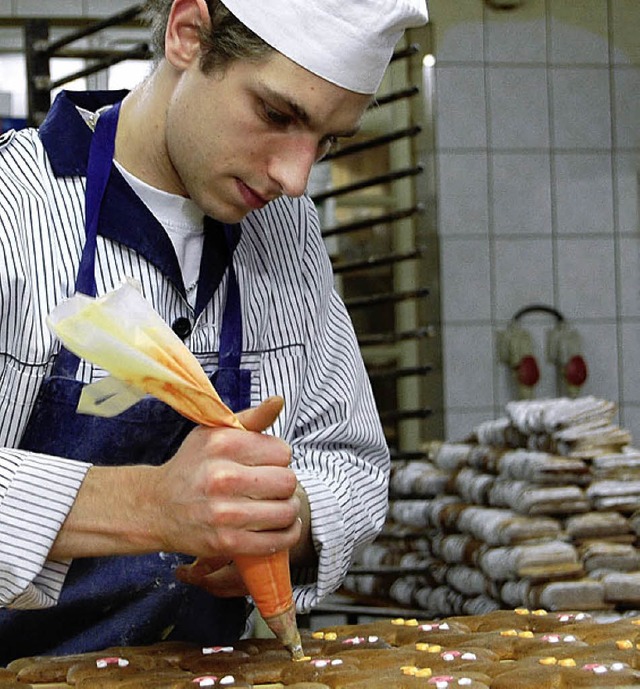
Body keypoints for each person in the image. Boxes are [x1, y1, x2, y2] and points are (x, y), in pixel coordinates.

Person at [0, 0, 428, 663]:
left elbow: (350, 460)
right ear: (187, 33)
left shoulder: (287, 234)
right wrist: (151, 504)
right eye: (278, 115)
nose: (294, 177)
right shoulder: (14, 207)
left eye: (326, 141)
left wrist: (285, 520)